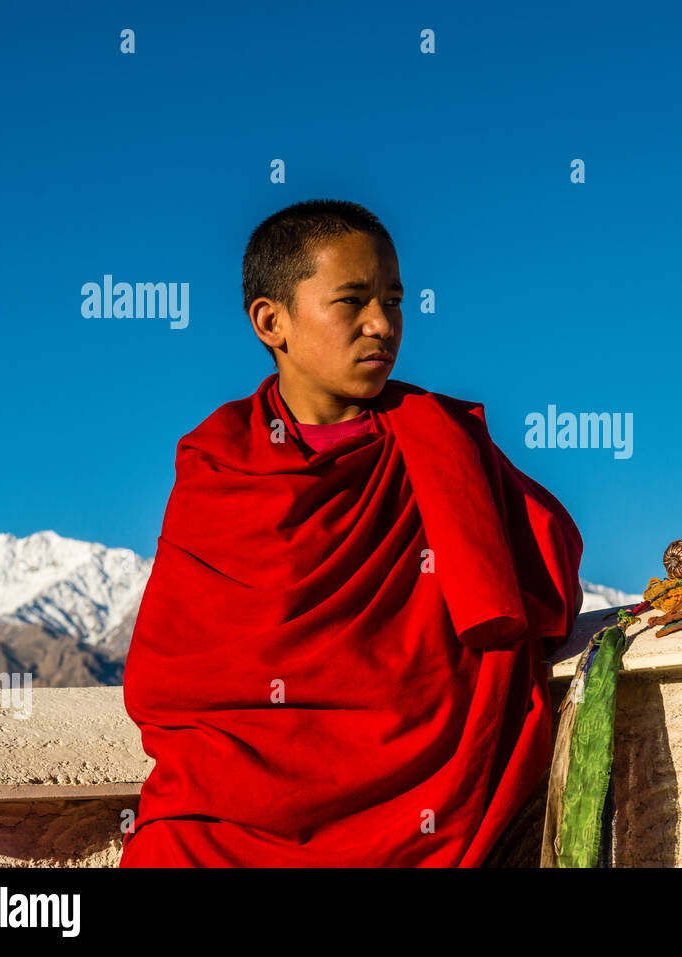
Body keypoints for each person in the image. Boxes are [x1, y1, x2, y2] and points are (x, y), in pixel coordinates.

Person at [120, 199, 584, 866]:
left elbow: (545, 574)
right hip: (232, 813)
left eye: (394, 301)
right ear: (270, 321)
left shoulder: (439, 440)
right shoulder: (219, 465)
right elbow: (176, 680)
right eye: (353, 300)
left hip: (421, 792)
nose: (382, 324)